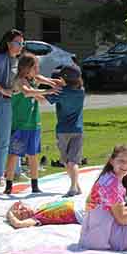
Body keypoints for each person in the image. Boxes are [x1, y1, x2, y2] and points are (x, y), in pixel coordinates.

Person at [3, 54, 62, 194]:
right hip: (20, 126)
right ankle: (8, 185)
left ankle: (35, 185)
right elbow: (27, 92)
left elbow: (44, 79)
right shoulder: (19, 80)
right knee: (14, 155)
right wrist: (48, 90)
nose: (37, 69)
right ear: (26, 68)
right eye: (35, 66)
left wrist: (55, 82)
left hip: (34, 124)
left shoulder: (33, 78)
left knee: (33, 155)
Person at [0, 29, 26, 188]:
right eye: (17, 43)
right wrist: (2, 90)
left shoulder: (17, 60)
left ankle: (16, 171)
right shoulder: (2, 59)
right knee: (4, 140)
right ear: (8, 44)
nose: (20, 46)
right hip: (3, 102)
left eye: (22, 43)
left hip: (16, 102)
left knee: (17, 137)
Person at [46, 65, 85, 197]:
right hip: (78, 130)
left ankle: (73, 187)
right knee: (72, 161)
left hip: (63, 131)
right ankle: (77, 186)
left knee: (68, 162)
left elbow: (45, 98)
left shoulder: (61, 92)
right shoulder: (81, 91)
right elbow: (68, 87)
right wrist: (61, 84)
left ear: (64, 79)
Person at [6, 199, 83, 229]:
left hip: (81, 205)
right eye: (22, 215)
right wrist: (9, 213)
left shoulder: (41, 207)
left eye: (22, 209)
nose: (25, 211)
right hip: (80, 215)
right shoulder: (36, 218)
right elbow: (18, 223)